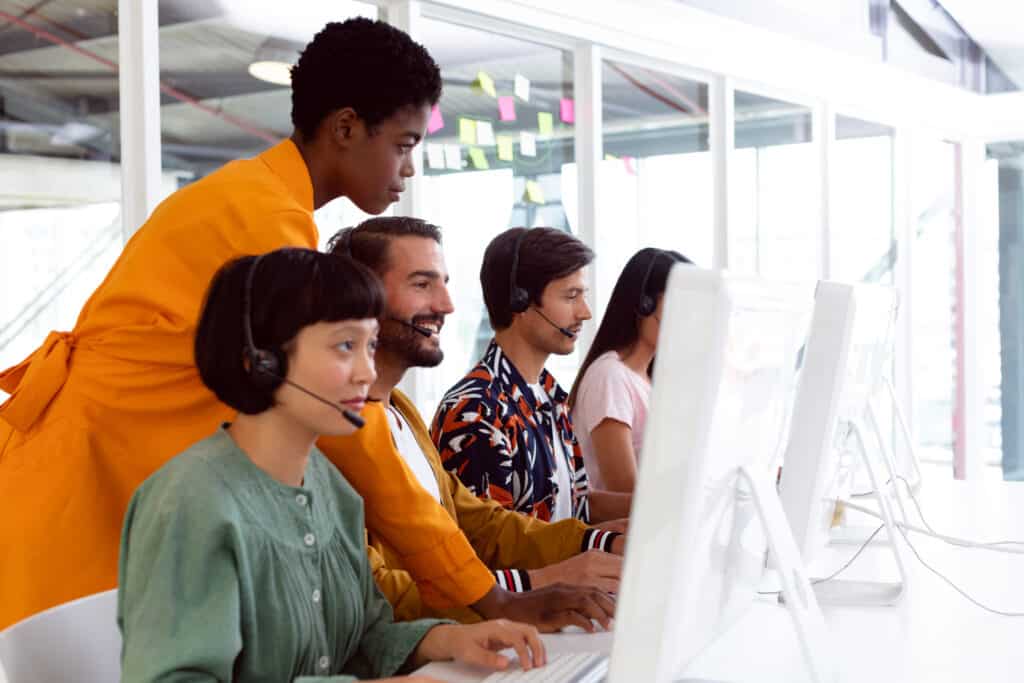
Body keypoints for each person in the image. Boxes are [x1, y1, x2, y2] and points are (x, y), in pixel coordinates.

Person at [0, 18, 494, 630]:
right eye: (403, 143)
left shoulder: (253, 197)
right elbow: (350, 425)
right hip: (78, 493)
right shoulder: (266, 219)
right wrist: (484, 594)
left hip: (93, 480)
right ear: (345, 128)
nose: (410, 168)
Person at [118, 247, 546, 682]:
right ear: (261, 360)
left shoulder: (329, 486)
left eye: (371, 345)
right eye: (345, 346)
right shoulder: (191, 503)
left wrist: (446, 640)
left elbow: (364, 634)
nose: (367, 371)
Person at [325, 218, 624, 624]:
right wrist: (533, 586)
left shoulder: (401, 411)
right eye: (422, 284)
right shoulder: (337, 429)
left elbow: (478, 522)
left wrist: (598, 540)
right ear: (360, 297)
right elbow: (377, 592)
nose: (447, 304)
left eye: (444, 283)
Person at [432, 228, 632, 525]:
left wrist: (654, 509)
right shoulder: (476, 413)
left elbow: (573, 506)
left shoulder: (550, 395)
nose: (585, 312)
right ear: (520, 300)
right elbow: (491, 546)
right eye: (571, 296)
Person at [568, 248, 691, 493]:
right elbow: (626, 493)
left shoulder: (650, 380)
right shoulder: (610, 378)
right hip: (629, 530)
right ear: (645, 304)